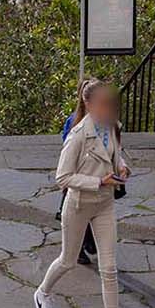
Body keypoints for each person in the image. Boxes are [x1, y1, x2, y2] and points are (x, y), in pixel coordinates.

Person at [33, 79, 138, 308]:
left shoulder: (114, 128)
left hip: (104, 206)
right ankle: (42, 293)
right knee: (68, 260)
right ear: (89, 105)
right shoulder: (78, 135)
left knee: (109, 268)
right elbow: (62, 178)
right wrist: (97, 181)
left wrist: (123, 169)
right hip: (79, 205)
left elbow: (117, 156)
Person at [60, 107, 99, 266]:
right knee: (78, 211)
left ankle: (87, 242)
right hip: (79, 174)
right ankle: (80, 247)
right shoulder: (75, 122)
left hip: (94, 172)